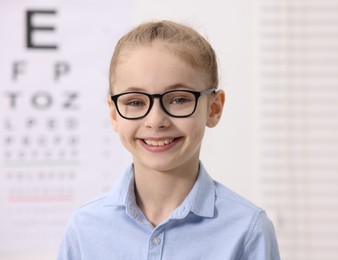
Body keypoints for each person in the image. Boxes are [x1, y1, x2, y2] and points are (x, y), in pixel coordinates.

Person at [57, 20, 280, 260]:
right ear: (114, 114)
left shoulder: (248, 229)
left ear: (214, 108)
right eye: (135, 102)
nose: (156, 120)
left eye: (178, 99)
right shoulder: (84, 228)